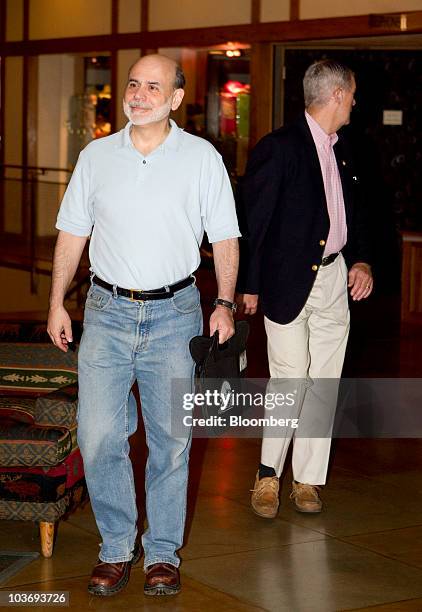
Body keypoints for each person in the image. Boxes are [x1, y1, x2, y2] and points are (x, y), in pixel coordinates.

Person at [47, 53, 240, 597]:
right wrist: (57, 301)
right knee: (100, 432)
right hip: (106, 312)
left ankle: (161, 554)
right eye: (133, 84)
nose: (138, 94)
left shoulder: (202, 158)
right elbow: (71, 232)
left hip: (176, 315)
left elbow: (225, 236)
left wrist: (224, 301)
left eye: (153, 86)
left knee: (171, 441)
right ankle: (115, 547)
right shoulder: (96, 156)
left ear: (176, 98)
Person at [236, 59, 372, 519]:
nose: (354, 101)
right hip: (288, 282)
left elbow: (355, 211)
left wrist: (361, 260)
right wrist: (249, 285)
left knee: (325, 383)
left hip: (335, 277)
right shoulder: (279, 148)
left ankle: (308, 480)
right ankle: (268, 476)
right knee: (290, 380)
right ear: (336, 94)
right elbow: (253, 223)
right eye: (351, 94)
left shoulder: (344, 148)